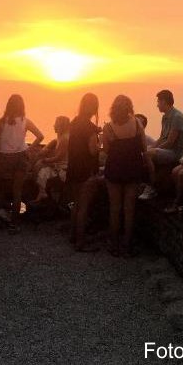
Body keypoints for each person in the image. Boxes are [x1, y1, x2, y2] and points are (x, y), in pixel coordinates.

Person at [0, 94, 44, 231]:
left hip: (5, 159)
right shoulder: (26, 121)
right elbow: (41, 136)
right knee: (17, 191)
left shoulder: (1, 122)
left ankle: (2, 209)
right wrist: (29, 149)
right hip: (21, 158)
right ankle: (14, 222)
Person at [103, 95, 147, 258]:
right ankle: (127, 245)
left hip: (114, 169)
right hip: (133, 169)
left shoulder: (108, 127)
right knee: (129, 209)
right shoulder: (137, 123)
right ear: (129, 107)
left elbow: (106, 150)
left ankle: (113, 244)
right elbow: (143, 147)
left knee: (115, 208)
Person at [66, 93, 101, 251]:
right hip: (87, 170)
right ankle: (81, 243)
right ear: (94, 108)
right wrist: (103, 145)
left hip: (73, 168)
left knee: (76, 204)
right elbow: (93, 151)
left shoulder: (74, 123)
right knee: (84, 207)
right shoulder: (90, 127)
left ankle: (73, 235)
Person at [140, 90, 183, 200]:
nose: (157, 105)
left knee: (148, 154)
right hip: (166, 149)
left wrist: (154, 149)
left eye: (158, 102)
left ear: (164, 101)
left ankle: (152, 186)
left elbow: (170, 142)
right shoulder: (165, 117)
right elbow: (162, 138)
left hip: (175, 152)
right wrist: (150, 147)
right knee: (145, 151)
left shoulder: (177, 117)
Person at [31, 116, 70, 204]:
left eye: (56, 124)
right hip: (59, 167)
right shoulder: (59, 139)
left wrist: (45, 160)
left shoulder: (64, 139)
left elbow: (59, 157)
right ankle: (42, 193)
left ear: (60, 125)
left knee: (42, 171)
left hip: (63, 170)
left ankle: (42, 193)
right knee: (42, 169)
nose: (54, 126)